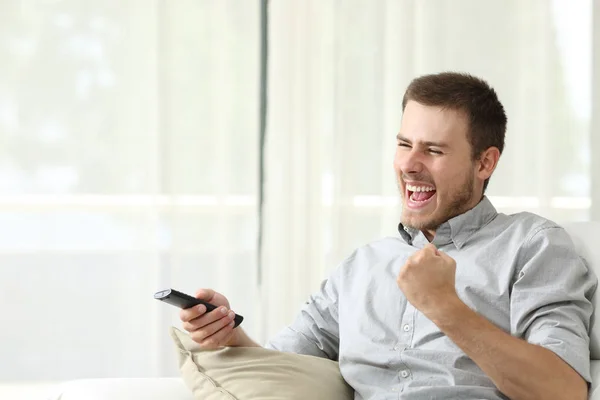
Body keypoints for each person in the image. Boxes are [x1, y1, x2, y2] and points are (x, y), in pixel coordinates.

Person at [179, 72, 597, 400]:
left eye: (433, 150)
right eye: (403, 144)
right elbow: (288, 368)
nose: (409, 165)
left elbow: (563, 390)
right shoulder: (362, 266)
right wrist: (229, 335)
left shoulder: (532, 245)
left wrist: (444, 307)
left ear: (485, 163)